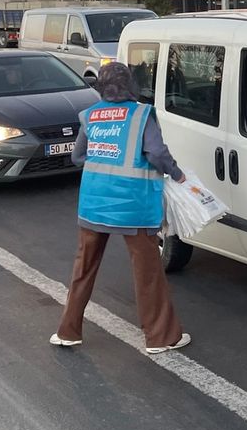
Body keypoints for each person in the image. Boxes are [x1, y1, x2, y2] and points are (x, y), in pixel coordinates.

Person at [50, 62, 191, 353]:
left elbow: (78, 157)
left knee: (83, 268)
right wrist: (177, 174)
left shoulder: (90, 115)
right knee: (147, 271)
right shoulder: (141, 115)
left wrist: (104, 159)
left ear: (101, 87)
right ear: (130, 85)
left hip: (94, 204)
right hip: (133, 205)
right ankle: (160, 337)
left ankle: (67, 332)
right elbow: (156, 153)